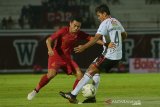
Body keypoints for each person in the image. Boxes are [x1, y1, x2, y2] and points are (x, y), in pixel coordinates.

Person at [59, 4, 127, 104]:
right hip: (117, 55)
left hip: (109, 55)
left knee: (90, 71)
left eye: (99, 15)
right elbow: (124, 34)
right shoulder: (116, 21)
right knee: (95, 71)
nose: (98, 18)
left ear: (104, 14)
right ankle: (92, 97)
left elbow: (95, 39)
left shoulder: (105, 23)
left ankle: (73, 95)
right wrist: (117, 43)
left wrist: (84, 47)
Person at [27, 16, 107, 101]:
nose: (76, 28)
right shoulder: (63, 31)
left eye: (78, 26)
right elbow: (48, 40)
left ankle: (72, 96)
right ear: (70, 24)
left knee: (80, 75)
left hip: (67, 58)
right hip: (56, 56)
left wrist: (104, 44)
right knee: (51, 74)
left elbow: (92, 39)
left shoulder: (79, 33)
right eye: (75, 25)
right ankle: (35, 91)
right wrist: (50, 49)